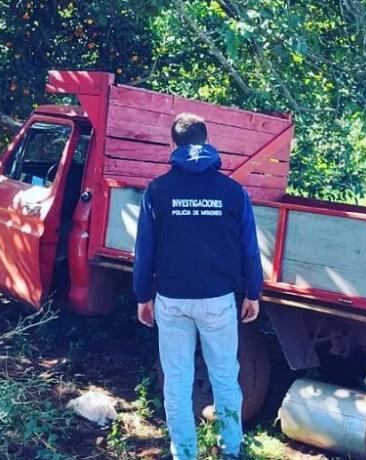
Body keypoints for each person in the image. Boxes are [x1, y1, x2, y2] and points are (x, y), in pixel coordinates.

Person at [132, 113, 263, 460]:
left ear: (173, 144)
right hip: (218, 302)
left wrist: (142, 296)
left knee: (176, 383)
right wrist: (253, 292)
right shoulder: (233, 192)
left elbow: (144, 249)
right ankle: (231, 451)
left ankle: (184, 454)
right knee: (224, 380)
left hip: (172, 301)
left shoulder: (157, 191)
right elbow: (249, 246)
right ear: (206, 142)